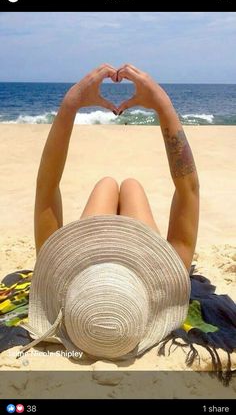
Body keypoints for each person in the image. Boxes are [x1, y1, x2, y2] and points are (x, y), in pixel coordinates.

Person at [20, 64, 199, 361]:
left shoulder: (174, 269)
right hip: (104, 266)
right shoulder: (174, 274)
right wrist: (161, 102)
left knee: (108, 184)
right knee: (130, 186)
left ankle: (114, 205)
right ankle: (123, 200)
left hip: (107, 270)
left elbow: (45, 185)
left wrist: (71, 103)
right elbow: (188, 188)